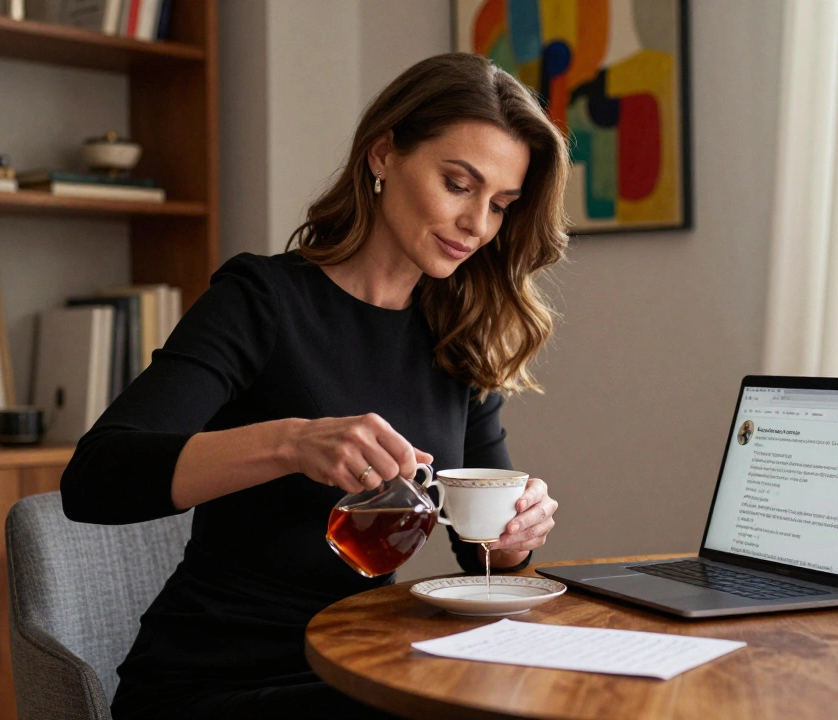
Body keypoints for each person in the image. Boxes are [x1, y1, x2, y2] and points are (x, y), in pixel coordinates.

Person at [59, 52, 570, 719]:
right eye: (457, 184)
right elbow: (94, 481)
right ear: (383, 154)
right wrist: (292, 445)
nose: (478, 224)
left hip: (361, 661)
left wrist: (513, 543)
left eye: (500, 205)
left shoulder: (457, 340)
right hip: (212, 680)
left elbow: (482, 557)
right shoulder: (261, 301)